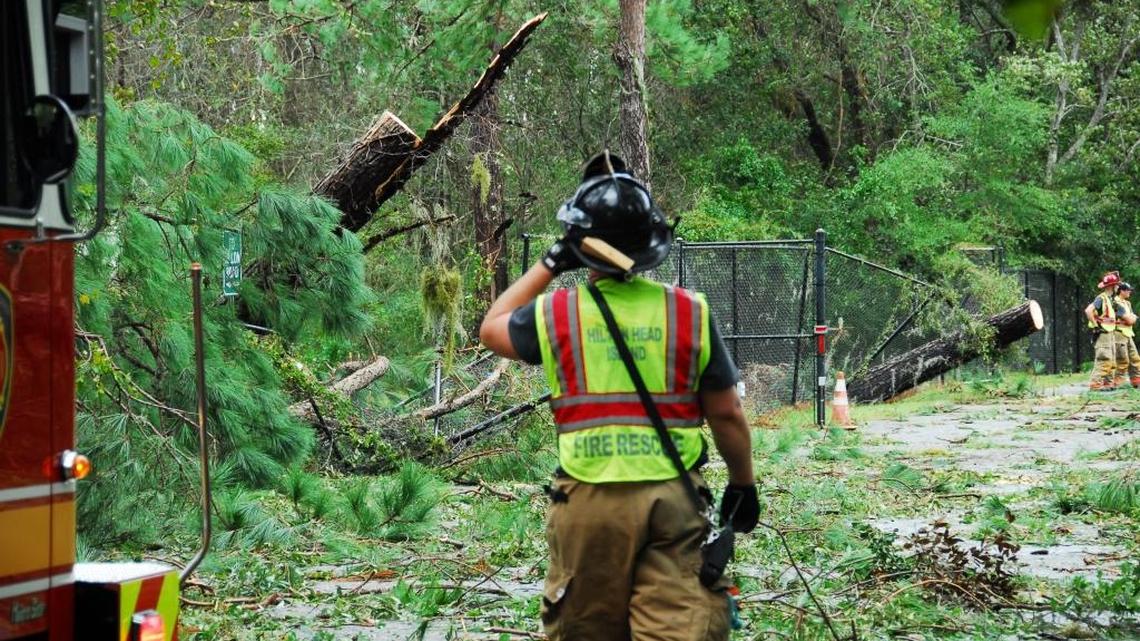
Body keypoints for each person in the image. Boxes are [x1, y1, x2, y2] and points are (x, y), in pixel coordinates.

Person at [479, 152, 758, 641]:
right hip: (674, 497)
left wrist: (549, 262)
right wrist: (743, 484)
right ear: (652, 244)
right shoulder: (688, 312)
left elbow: (491, 327)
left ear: (579, 243)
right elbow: (727, 413)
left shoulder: (557, 314)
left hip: (589, 500)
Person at [1085, 271, 1123, 390]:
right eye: (1117, 285)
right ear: (1112, 286)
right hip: (1102, 332)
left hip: (1109, 332)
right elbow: (1088, 311)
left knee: (1111, 359)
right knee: (1104, 358)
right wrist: (1096, 326)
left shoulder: (1110, 299)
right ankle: (1095, 384)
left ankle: (1108, 384)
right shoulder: (1101, 298)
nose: (1118, 287)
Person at [1113, 282, 1140, 389]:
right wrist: (1131, 318)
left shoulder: (1127, 303)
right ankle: (1117, 384)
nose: (1130, 292)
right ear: (1122, 291)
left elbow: (1132, 317)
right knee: (1122, 360)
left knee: (1135, 358)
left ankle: (1136, 382)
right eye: (1128, 290)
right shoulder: (1115, 302)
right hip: (1119, 333)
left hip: (1128, 333)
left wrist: (1131, 318)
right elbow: (1130, 319)